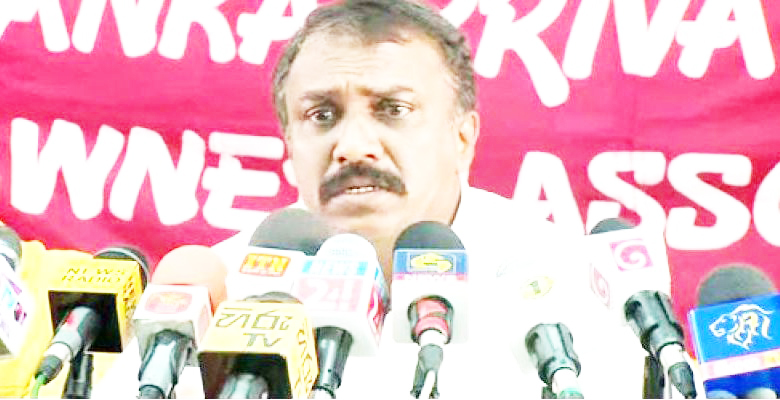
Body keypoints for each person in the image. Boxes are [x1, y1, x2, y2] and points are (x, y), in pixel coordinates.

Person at [92, 0, 673, 397]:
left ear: (463, 137)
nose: (352, 146)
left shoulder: (569, 287)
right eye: (322, 116)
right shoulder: (210, 295)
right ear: (289, 143)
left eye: (392, 110)